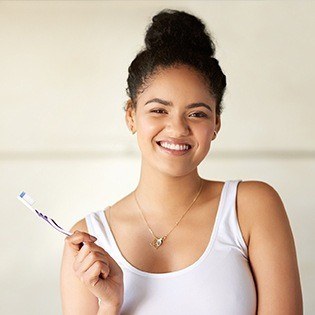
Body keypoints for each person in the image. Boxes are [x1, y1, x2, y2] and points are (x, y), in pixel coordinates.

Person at [60, 8, 303, 315]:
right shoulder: (88, 244)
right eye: (159, 110)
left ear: (216, 123)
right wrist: (109, 304)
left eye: (197, 113)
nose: (177, 128)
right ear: (131, 116)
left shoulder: (251, 207)